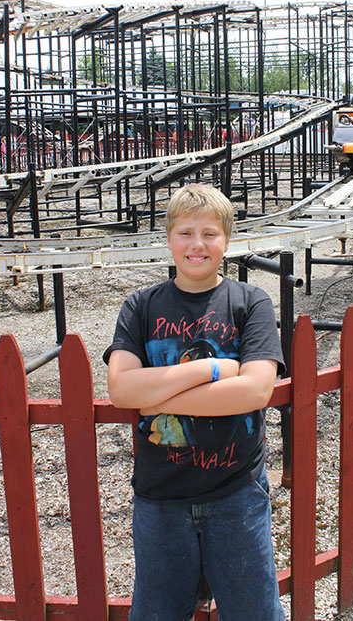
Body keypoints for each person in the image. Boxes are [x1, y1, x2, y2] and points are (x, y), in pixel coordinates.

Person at [104, 183, 285, 621]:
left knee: (255, 612)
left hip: (237, 492)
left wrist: (160, 396)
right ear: (169, 239)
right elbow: (122, 391)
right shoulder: (141, 306)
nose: (197, 245)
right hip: (160, 497)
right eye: (185, 233)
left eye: (210, 233)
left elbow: (256, 391)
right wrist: (213, 370)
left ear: (227, 240)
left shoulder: (249, 302)